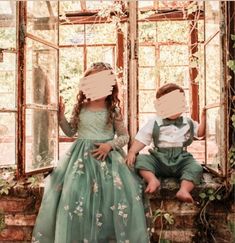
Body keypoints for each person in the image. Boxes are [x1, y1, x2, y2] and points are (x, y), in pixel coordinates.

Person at [32, 62, 150, 243]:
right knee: (74, 195)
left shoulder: (113, 110)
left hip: (108, 160)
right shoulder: (81, 107)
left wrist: (109, 145)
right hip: (79, 160)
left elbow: (125, 136)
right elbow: (71, 132)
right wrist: (61, 115)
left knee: (109, 198)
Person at [126, 83, 206, 203]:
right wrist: (132, 151)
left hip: (181, 160)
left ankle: (184, 190)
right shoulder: (154, 122)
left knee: (195, 167)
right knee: (141, 159)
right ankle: (152, 180)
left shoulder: (187, 122)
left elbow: (200, 133)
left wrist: (204, 117)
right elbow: (142, 138)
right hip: (159, 159)